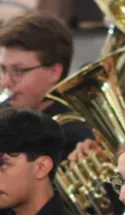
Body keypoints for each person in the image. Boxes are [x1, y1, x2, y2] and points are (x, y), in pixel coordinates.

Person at [0, 11, 93, 159]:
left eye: (18, 71)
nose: (4, 82)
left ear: (54, 72)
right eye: (3, 69)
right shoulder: (5, 114)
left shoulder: (72, 137)